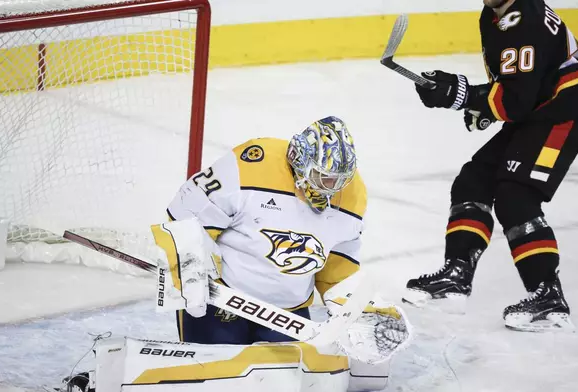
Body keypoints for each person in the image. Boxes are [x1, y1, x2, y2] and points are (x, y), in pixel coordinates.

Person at [401, 0, 578, 332]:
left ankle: (548, 299)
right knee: (473, 182)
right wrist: (478, 103)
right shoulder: (495, 15)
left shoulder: (523, 19)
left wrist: (461, 95)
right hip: (539, 112)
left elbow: (515, 99)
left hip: (564, 112)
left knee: (516, 196)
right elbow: (514, 86)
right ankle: (456, 277)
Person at [164, 115, 408, 347]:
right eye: (321, 176)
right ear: (299, 160)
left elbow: (337, 266)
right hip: (220, 303)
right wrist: (189, 269)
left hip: (287, 315)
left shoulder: (353, 194)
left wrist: (357, 308)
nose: (330, 188)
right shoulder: (251, 164)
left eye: (338, 180)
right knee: (210, 376)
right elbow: (187, 214)